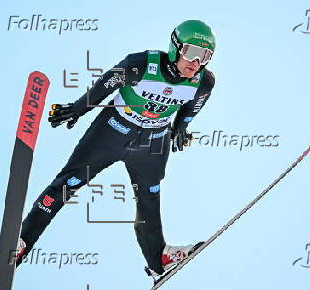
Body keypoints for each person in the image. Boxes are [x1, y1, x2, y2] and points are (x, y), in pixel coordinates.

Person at [15, 20, 216, 277]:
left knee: (150, 196)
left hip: (152, 143)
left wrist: (180, 129)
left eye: (206, 56)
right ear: (176, 47)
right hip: (112, 130)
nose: (197, 62)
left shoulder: (203, 82)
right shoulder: (140, 65)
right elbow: (105, 85)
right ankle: (21, 241)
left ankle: (158, 258)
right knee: (68, 183)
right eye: (192, 53)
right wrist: (77, 108)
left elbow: (192, 108)